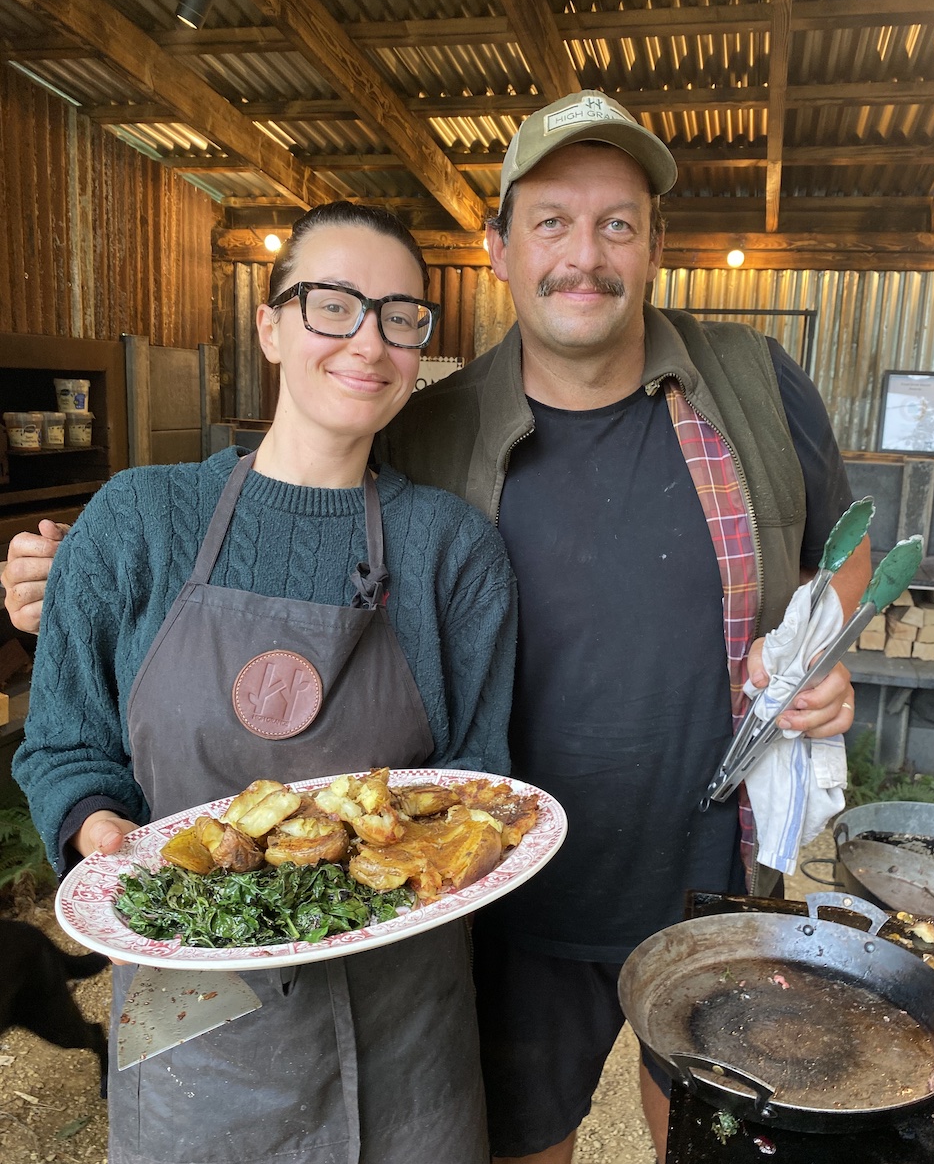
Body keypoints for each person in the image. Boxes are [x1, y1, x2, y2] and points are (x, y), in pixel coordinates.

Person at [4, 91, 869, 1164]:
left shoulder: (715, 397)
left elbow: (838, 559)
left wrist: (819, 658)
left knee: (707, 1140)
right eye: (551, 219)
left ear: (653, 246)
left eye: (617, 223)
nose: (363, 343)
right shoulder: (348, 463)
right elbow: (91, 723)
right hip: (349, 945)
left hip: (638, 888)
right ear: (499, 249)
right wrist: (75, 582)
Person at [9, 201, 518, 1164]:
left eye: (401, 315)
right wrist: (98, 827)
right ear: (270, 325)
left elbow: (478, 780)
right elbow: (66, 743)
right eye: (332, 304)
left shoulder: (455, 553)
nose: (368, 339)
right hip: (190, 1010)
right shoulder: (136, 520)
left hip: (404, 1016)